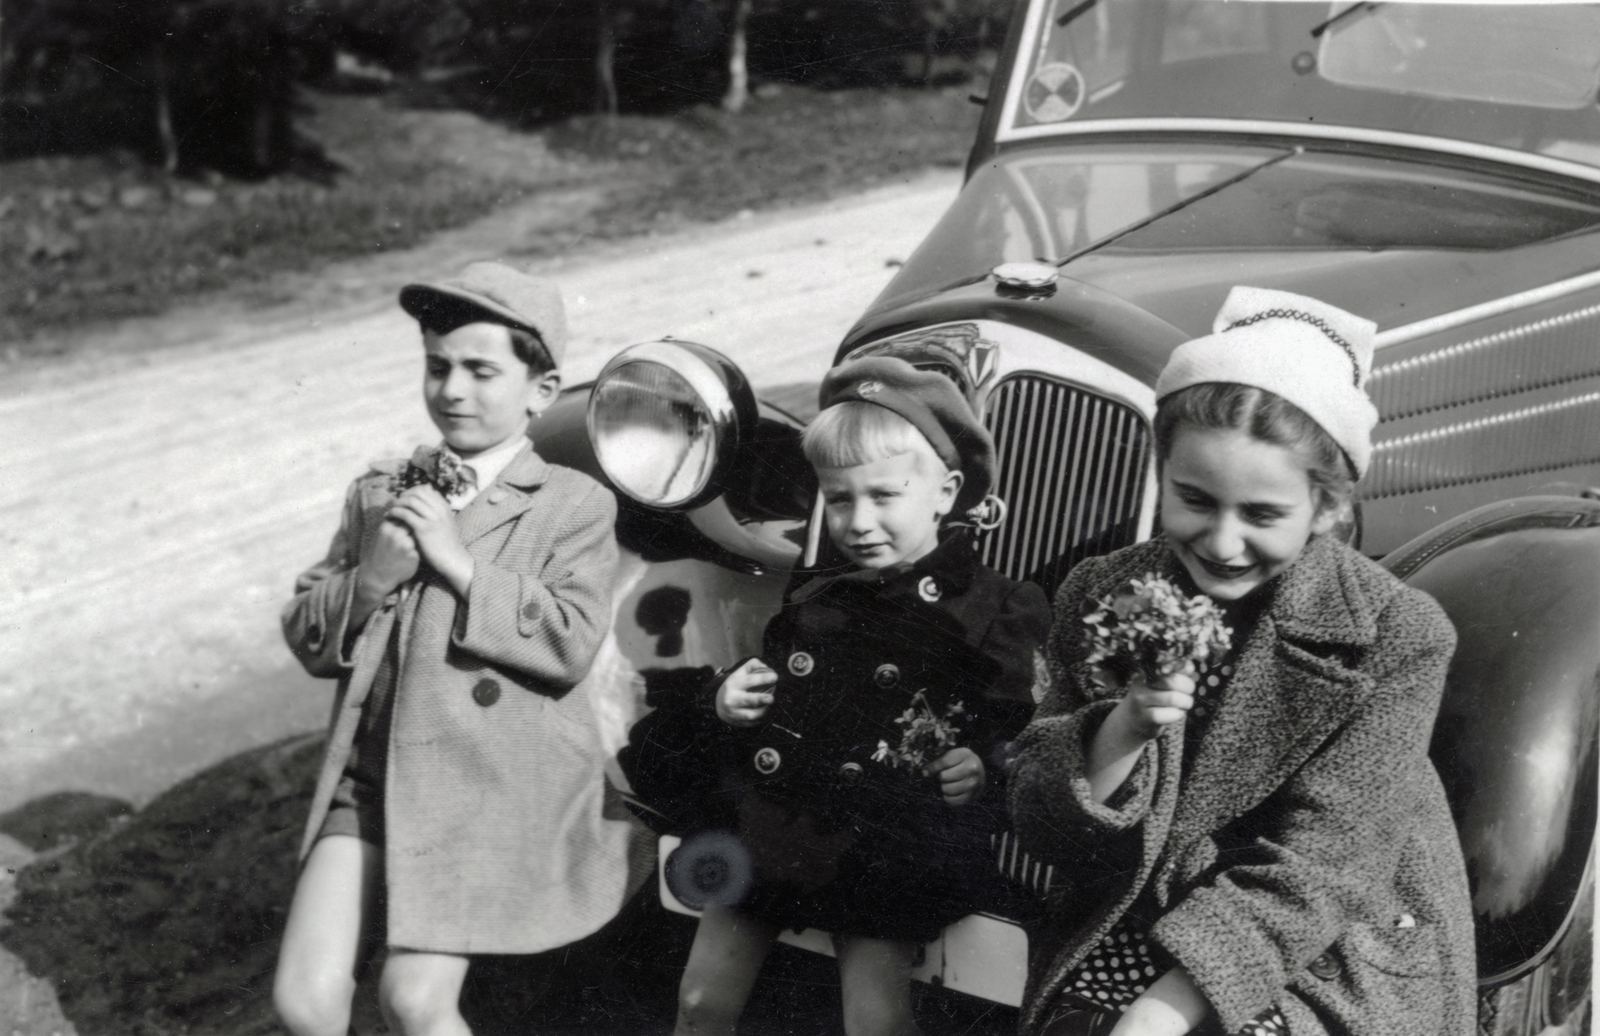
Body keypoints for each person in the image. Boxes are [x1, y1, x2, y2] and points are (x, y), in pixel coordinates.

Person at [1008, 286, 1476, 1036]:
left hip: (1329, 945)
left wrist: (1158, 1014)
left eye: (1262, 515)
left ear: (1328, 508)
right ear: (1161, 471)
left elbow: (1325, 869)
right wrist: (1121, 732)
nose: (1223, 543)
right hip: (1139, 913)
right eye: (1195, 500)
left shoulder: (1397, 634)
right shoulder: (1104, 591)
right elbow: (1043, 827)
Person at [273, 262, 628, 1036]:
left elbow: (570, 641)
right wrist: (370, 581)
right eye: (437, 367)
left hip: (486, 786)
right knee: (305, 1003)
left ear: (541, 389)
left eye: (480, 370)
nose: (453, 390)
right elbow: (306, 631)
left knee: (414, 1000)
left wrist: (460, 564)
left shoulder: (573, 503)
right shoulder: (381, 491)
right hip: (372, 781)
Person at [673, 356, 1053, 1036]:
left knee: (875, 1020)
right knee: (700, 1001)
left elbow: (1021, 727)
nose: (858, 521)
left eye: (883, 496)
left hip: (887, 846)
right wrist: (729, 699)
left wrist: (983, 765)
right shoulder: (822, 591)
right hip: (776, 823)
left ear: (946, 492)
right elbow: (777, 696)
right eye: (840, 499)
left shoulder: (995, 608)